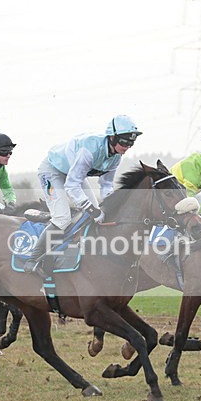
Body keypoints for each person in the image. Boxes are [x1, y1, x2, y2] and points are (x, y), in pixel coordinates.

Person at [24, 114, 142, 278]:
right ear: (112, 137)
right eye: (124, 142)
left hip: (74, 175)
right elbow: (71, 185)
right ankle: (33, 259)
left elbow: (106, 185)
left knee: (97, 215)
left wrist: (108, 207)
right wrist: (93, 210)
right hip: (52, 172)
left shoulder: (116, 158)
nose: (127, 146)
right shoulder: (89, 150)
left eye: (131, 142)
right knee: (63, 219)